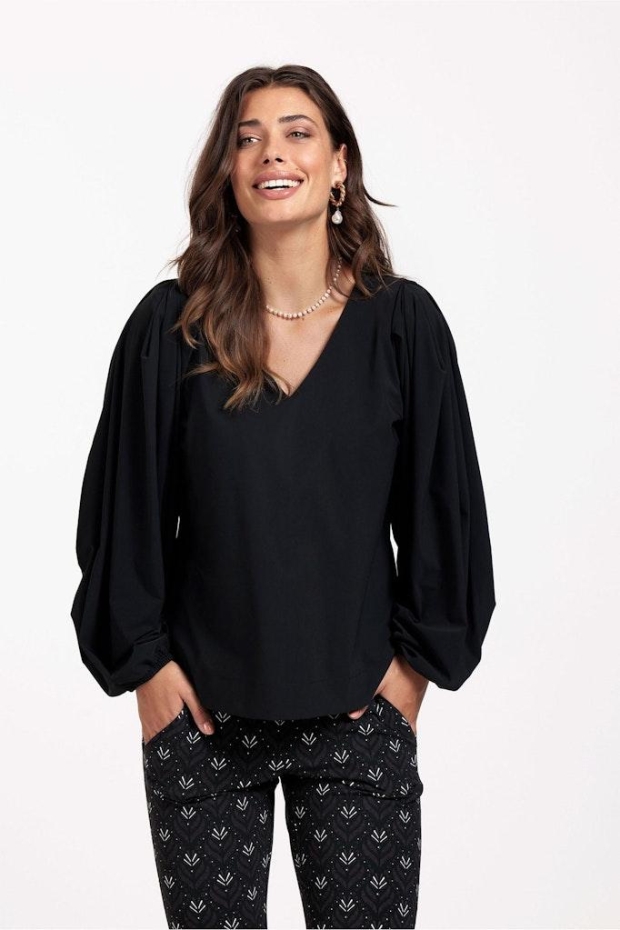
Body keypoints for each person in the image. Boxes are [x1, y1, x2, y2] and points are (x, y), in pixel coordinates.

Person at [70, 64, 496, 930]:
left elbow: (444, 512)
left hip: (358, 717)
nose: (273, 152)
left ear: (339, 166)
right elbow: (123, 512)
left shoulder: (403, 327)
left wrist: (410, 679)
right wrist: (147, 675)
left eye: (298, 132)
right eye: (248, 137)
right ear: (228, 171)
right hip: (201, 723)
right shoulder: (171, 327)